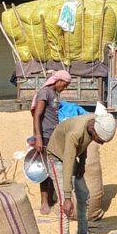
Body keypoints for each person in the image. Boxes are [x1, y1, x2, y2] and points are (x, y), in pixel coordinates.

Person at [46, 110, 116, 234]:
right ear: (92, 130)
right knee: (64, 205)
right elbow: (67, 163)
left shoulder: (96, 122)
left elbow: (84, 146)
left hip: (72, 157)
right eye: (100, 139)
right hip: (57, 158)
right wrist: (67, 197)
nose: (101, 143)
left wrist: (82, 165)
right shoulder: (75, 134)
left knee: (84, 194)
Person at [31, 70, 72, 214]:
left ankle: (51, 199)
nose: (65, 88)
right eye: (65, 85)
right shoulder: (45, 93)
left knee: (54, 168)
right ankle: (44, 202)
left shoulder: (55, 94)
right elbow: (37, 115)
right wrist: (38, 137)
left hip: (54, 135)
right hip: (44, 135)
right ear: (58, 81)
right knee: (44, 170)